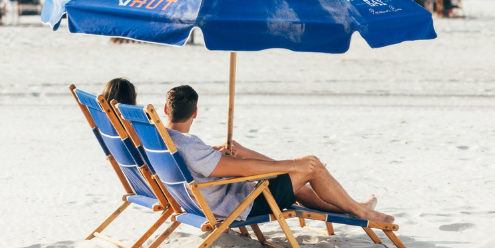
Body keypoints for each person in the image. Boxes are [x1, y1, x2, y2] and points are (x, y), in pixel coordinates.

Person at [161, 85, 394, 224]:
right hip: (240, 206)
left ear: (165, 110)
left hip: (203, 202)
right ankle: (360, 211)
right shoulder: (190, 145)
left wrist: (232, 152)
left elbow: (201, 162)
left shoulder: (160, 141)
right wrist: (294, 164)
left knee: (295, 177)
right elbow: (244, 170)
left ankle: (352, 206)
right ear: (196, 113)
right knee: (311, 166)